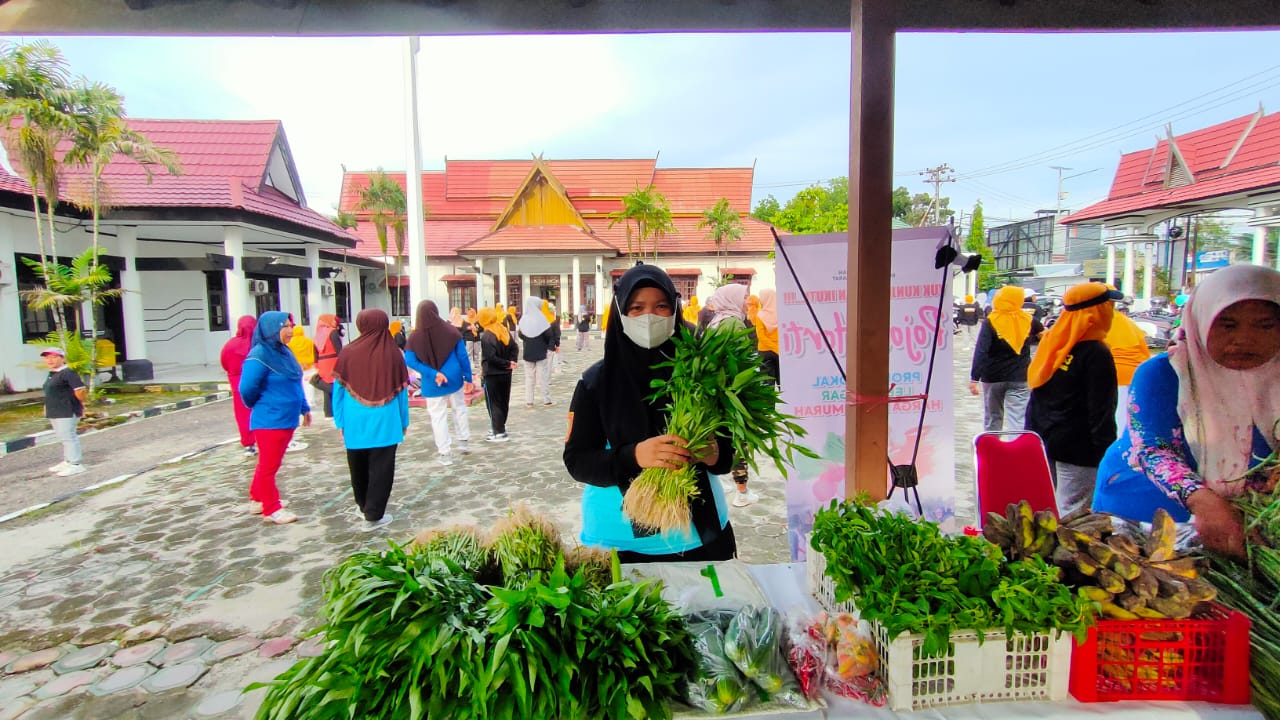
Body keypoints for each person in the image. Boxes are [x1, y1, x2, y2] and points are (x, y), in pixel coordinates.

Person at [1094, 265, 1280, 558]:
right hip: (1148, 508)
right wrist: (1204, 502)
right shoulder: (1166, 373)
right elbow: (1154, 449)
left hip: (1251, 518)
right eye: (1228, 325)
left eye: (1265, 326)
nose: (1245, 339)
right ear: (1201, 320)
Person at [563, 264, 737, 562]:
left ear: (675, 310)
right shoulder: (596, 382)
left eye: (661, 306)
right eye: (636, 307)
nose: (649, 316)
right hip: (618, 542)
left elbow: (728, 456)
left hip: (698, 535)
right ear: (620, 314)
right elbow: (577, 461)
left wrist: (713, 454)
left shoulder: (702, 375)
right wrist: (634, 456)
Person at [1025, 281, 1122, 516]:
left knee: (1048, 507)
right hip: (1079, 447)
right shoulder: (1096, 353)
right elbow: (1101, 408)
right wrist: (1107, 451)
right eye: (1109, 306)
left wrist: (1032, 434)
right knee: (1073, 514)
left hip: (1045, 438)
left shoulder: (1053, 342)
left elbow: (1037, 392)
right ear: (1095, 313)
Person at [333, 308, 410, 532]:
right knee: (382, 467)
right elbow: (401, 392)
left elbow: (338, 390)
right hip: (386, 419)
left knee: (357, 464)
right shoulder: (393, 353)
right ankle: (374, 513)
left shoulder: (347, 352)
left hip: (355, 420)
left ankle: (363, 505)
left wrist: (340, 421)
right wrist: (404, 422)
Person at [239, 311, 310, 525]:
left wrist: (304, 408)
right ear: (271, 329)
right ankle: (271, 509)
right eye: (285, 326)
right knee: (269, 466)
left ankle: (257, 498)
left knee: (269, 463)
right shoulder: (258, 355)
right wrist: (263, 405)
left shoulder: (284, 353)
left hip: (287, 418)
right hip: (270, 420)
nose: (290, 330)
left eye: (291, 325)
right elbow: (247, 388)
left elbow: (295, 382)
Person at [705, 283, 759, 507]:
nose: (747, 301)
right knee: (740, 440)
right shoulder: (734, 323)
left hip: (717, 390)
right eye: (744, 297)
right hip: (734, 392)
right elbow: (739, 361)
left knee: (722, 437)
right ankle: (742, 491)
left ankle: (726, 479)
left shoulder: (716, 321)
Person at [405, 299, 474, 466]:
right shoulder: (451, 331)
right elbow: (463, 356)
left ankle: (444, 452)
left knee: (438, 416)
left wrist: (432, 373)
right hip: (454, 378)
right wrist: (468, 377)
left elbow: (410, 361)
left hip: (432, 382)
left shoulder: (415, 337)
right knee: (459, 408)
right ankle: (463, 441)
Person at [969, 286, 1044, 432]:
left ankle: (991, 450)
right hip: (1020, 377)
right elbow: (1047, 338)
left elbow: (981, 351)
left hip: (993, 377)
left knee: (993, 417)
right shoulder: (1029, 320)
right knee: (1018, 418)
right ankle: (1018, 451)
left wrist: (974, 378)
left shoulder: (991, 321)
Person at [41, 347, 87, 477]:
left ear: (62, 358)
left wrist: (81, 404)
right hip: (55, 410)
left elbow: (80, 390)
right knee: (62, 437)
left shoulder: (68, 373)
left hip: (67, 410)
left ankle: (76, 464)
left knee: (68, 436)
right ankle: (68, 461)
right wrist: (46, 407)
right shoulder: (53, 374)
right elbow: (51, 393)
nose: (50, 360)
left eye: (54, 357)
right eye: (47, 357)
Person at [1105, 310, 1153, 431]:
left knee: (1116, 418)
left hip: (1111, 374)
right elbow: (1145, 353)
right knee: (1128, 416)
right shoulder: (1127, 322)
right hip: (1135, 373)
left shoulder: (1093, 320)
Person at [478, 306, 519, 441]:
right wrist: (511, 362)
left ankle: (499, 431)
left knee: (493, 403)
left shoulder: (487, 336)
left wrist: (507, 363)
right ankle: (499, 426)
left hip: (492, 374)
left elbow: (491, 357)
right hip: (506, 374)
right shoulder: (503, 329)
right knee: (503, 401)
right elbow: (515, 347)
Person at [220, 315, 258, 456]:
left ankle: (248, 444)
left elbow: (224, 362)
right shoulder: (258, 344)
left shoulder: (230, 344)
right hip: (256, 382)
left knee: (243, 414)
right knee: (260, 411)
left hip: (237, 383)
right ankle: (263, 440)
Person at [518, 296, 556, 408]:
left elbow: (521, 334)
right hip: (541, 353)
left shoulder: (524, 320)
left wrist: (529, 340)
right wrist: (547, 346)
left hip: (528, 353)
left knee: (529, 378)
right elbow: (549, 336)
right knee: (543, 377)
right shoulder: (542, 319)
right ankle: (546, 400)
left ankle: (529, 401)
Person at [312, 314, 343, 422]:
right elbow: (339, 349)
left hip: (322, 363)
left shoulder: (317, 334)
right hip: (333, 361)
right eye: (334, 320)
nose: (336, 323)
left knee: (326, 386)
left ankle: (328, 413)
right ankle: (337, 411)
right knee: (336, 386)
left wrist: (317, 365)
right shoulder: (332, 332)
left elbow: (315, 352)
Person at [286, 324, 317, 428]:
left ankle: (301, 402)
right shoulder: (309, 341)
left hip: (296, 366)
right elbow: (313, 353)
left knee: (299, 385)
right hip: (308, 365)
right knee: (309, 385)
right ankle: (310, 401)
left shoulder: (290, 342)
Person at [752, 288, 780, 386]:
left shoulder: (760, 315)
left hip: (765, 352)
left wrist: (772, 347)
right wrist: (777, 348)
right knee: (784, 383)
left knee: (768, 385)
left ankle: (769, 402)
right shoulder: (781, 314)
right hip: (780, 351)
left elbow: (761, 336)